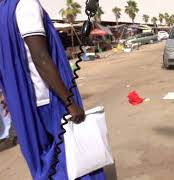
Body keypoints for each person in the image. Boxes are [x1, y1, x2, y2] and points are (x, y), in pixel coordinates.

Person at [0, 0, 106, 179]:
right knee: (77, 162)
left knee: (48, 166)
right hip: (49, 101)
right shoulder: (26, 4)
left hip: (25, 105)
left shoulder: (3, 10)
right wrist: (70, 102)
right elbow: (41, 57)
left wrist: (8, 95)